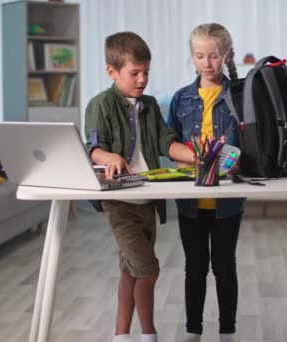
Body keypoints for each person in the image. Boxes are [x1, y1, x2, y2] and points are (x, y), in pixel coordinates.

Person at [85, 31, 195, 342]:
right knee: (148, 270)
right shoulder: (100, 105)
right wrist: (110, 157)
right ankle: (150, 334)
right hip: (119, 205)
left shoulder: (148, 105)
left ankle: (122, 335)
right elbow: (93, 148)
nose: (142, 79)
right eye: (135, 73)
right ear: (112, 71)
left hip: (148, 201)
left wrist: (195, 155)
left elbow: (166, 142)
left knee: (130, 271)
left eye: (146, 72)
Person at [167, 23, 246, 342]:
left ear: (226, 55)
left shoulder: (238, 97)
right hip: (190, 198)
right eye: (200, 56)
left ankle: (227, 331)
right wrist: (187, 157)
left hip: (228, 199)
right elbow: (170, 144)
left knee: (225, 266)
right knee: (194, 267)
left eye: (213, 55)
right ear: (192, 57)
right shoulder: (181, 98)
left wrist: (238, 160)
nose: (207, 63)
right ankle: (193, 330)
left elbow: (247, 144)